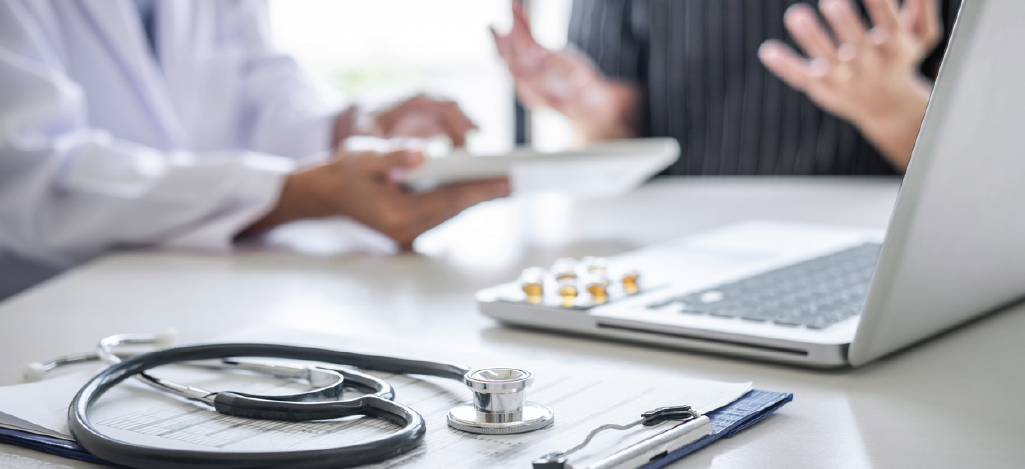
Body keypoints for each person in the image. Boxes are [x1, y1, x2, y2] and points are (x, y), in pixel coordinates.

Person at [0, 0, 510, 300]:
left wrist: (354, 130)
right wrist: (304, 192)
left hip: (199, 288)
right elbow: (34, 178)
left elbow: (260, 87)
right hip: (45, 302)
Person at [493, 0, 960, 175]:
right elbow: (616, 131)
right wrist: (589, 112)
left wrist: (894, 112)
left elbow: (990, 184)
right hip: (676, 255)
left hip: (868, 252)